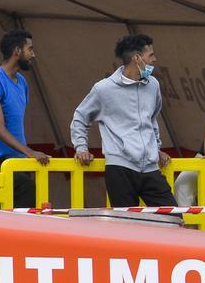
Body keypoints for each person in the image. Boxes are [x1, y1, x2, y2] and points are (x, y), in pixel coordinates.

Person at [71, 34, 175, 207]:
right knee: (127, 226)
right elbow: (80, 117)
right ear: (136, 58)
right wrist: (81, 147)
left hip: (150, 167)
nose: (155, 60)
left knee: (174, 218)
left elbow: (152, 120)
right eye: (151, 55)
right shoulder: (104, 88)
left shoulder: (153, 85)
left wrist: (156, 148)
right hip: (119, 169)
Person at [0, 29, 49, 208]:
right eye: (30, 49)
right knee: (26, 194)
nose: (33, 54)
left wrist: (26, 154)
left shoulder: (22, 82)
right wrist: (30, 152)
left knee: (33, 203)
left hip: (19, 161)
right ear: (17, 51)